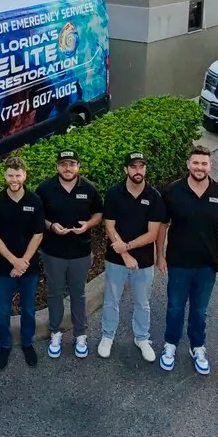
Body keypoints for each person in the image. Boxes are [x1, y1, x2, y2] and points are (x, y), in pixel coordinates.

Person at [158, 146, 218, 375]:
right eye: (195, 163)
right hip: (178, 263)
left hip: (207, 265)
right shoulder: (173, 191)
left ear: (210, 166)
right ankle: (170, 344)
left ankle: (197, 347)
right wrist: (160, 255)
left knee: (200, 310)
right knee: (175, 307)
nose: (199, 167)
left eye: (204, 163)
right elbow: (162, 225)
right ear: (188, 164)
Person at [97, 151, 165, 363]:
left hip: (144, 260)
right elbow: (109, 227)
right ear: (125, 169)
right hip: (116, 258)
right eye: (133, 166)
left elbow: (152, 234)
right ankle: (108, 335)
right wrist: (125, 254)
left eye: (141, 166)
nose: (138, 171)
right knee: (111, 300)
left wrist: (127, 246)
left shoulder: (154, 197)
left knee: (142, 302)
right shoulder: (114, 193)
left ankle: (142, 338)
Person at [37, 149, 104, 359]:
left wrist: (88, 225)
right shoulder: (45, 189)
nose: (68, 168)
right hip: (53, 252)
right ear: (57, 167)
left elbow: (99, 213)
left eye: (72, 164)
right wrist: (51, 225)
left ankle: (80, 334)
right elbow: (37, 216)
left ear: (78, 166)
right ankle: (55, 333)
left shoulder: (89, 188)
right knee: (55, 294)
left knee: (78, 294)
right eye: (64, 164)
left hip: (80, 251)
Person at [0, 157, 45, 369]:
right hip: (3, 267)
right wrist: (13, 261)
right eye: (10, 175)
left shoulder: (34, 201)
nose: (14, 179)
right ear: (5, 175)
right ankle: (5, 345)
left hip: (29, 266)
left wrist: (23, 262)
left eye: (18, 175)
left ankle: (27, 343)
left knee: (28, 308)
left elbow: (38, 234)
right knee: (3, 310)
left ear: (24, 175)